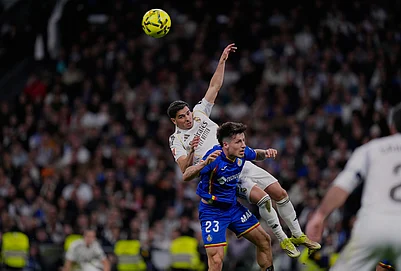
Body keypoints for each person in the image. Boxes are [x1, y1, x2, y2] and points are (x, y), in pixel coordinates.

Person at [168, 43, 320, 258]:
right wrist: (193, 152)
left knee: (280, 193)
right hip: (221, 173)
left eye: (187, 113)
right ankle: (283, 239)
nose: (187, 117)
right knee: (263, 199)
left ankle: (297, 234)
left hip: (238, 157)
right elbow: (185, 169)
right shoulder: (176, 139)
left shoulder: (200, 113)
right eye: (182, 117)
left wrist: (222, 62)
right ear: (174, 120)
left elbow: (214, 87)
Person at [305, 104, 401, 271]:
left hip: (373, 224)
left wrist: (320, 215)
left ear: (392, 127)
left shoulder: (372, 149)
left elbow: (342, 186)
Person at [182, 122, 275, 271]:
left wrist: (266, 152)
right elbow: (186, 175)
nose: (243, 145)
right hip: (212, 212)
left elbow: (256, 154)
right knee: (217, 260)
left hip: (232, 208)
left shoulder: (242, 152)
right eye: (238, 142)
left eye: (244, 140)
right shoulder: (214, 158)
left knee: (264, 240)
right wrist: (204, 164)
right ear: (225, 145)